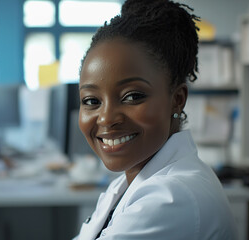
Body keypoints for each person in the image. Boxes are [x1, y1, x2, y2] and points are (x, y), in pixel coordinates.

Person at [73, 0, 237, 239]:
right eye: (91, 101)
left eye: (133, 96)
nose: (107, 118)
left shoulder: (171, 199)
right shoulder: (129, 183)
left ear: (177, 99)